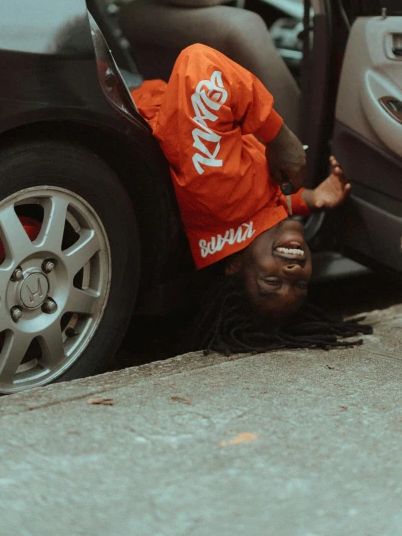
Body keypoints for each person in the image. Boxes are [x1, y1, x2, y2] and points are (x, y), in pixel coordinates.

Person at [132, 43, 371, 354]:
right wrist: (309, 199)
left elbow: (200, 64)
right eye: (300, 286)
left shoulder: (219, 193)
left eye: (271, 284)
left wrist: (279, 136)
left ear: (234, 266)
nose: (293, 274)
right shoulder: (235, 218)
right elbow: (258, 209)